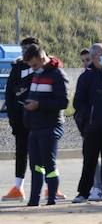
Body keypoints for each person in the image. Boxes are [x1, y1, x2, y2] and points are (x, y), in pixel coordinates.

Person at [19, 43, 69, 206]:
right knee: (36, 167)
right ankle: (34, 200)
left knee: (49, 165)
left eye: (34, 65)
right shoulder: (37, 73)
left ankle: (52, 199)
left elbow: (63, 102)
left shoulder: (57, 74)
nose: (33, 69)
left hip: (51, 126)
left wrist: (39, 105)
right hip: (35, 126)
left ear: (42, 59)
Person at [72, 43, 102, 203]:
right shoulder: (86, 77)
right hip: (92, 127)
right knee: (90, 160)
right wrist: (90, 115)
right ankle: (83, 192)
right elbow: (77, 102)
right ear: (94, 57)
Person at [3, 36, 40, 202]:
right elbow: (11, 94)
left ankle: (49, 188)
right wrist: (13, 119)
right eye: (23, 49)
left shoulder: (45, 66)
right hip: (21, 119)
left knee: (41, 154)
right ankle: (18, 188)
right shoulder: (17, 67)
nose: (25, 52)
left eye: (29, 49)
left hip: (39, 119)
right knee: (21, 153)